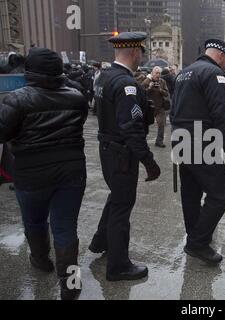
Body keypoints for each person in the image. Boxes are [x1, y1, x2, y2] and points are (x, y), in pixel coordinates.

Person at [0, 47, 88, 300]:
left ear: (30, 71)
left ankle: (41, 260)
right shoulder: (77, 97)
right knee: (65, 228)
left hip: (31, 174)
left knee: (35, 221)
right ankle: (71, 285)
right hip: (71, 171)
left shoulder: (16, 99)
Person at [89, 32, 161, 281]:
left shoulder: (104, 77)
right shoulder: (125, 84)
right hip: (121, 153)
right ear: (134, 52)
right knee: (122, 206)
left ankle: (101, 241)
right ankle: (118, 266)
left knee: (116, 197)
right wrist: (149, 161)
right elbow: (131, 128)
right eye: (141, 51)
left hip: (107, 148)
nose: (142, 55)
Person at [171, 39, 225, 264]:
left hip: (180, 140)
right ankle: (197, 243)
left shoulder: (183, 73)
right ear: (221, 56)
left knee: (191, 193)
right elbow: (222, 114)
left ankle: (195, 236)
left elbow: (174, 109)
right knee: (221, 194)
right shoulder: (214, 74)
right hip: (200, 142)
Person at [148, 66, 170, 148]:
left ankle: (159, 141)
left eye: (159, 73)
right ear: (152, 73)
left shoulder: (162, 81)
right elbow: (142, 92)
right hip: (149, 107)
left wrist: (160, 89)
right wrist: (149, 87)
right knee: (144, 125)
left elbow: (166, 93)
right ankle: (142, 141)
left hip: (160, 107)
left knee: (161, 124)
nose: (158, 75)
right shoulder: (147, 81)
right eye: (156, 73)